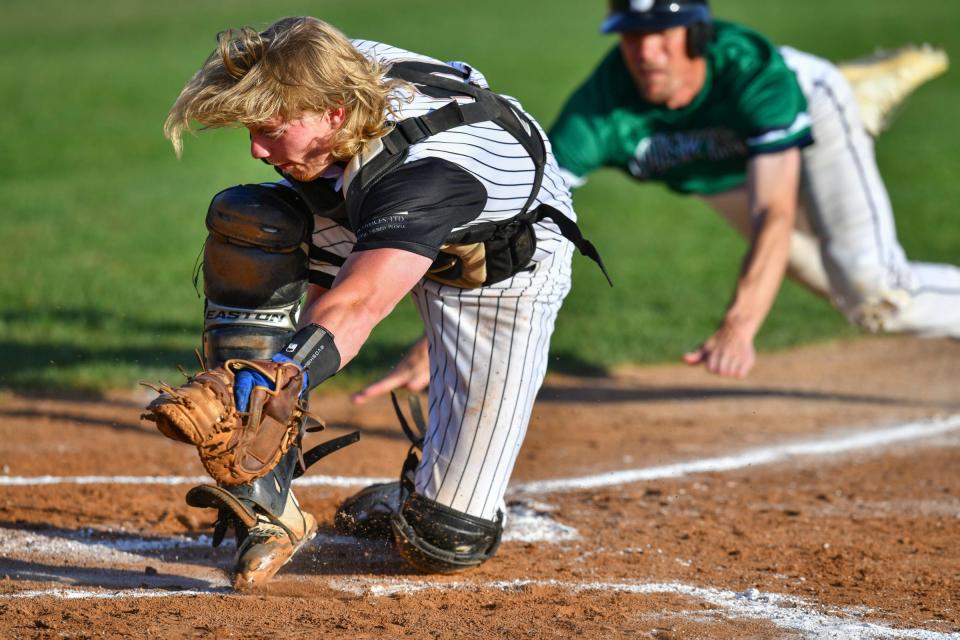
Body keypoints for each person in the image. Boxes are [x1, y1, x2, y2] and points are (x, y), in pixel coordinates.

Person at [161, 16, 603, 588]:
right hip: (365, 195)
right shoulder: (320, 73)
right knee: (253, 220)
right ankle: (264, 504)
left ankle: (403, 495)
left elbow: (360, 302)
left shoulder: (430, 175)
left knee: (446, 541)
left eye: (270, 130)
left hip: (495, 274)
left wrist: (282, 371)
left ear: (335, 114)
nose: (255, 149)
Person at [351, 0, 960, 396]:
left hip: (804, 113)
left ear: (695, 33)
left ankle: (849, 95)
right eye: (632, 35)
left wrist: (740, 325)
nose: (646, 52)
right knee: (819, 278)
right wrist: (440, 338)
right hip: (716, 153)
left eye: (663, 33)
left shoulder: (749, 69)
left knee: (872, 289)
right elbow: (521, 212)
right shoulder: (603, 109)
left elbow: (774, 212)